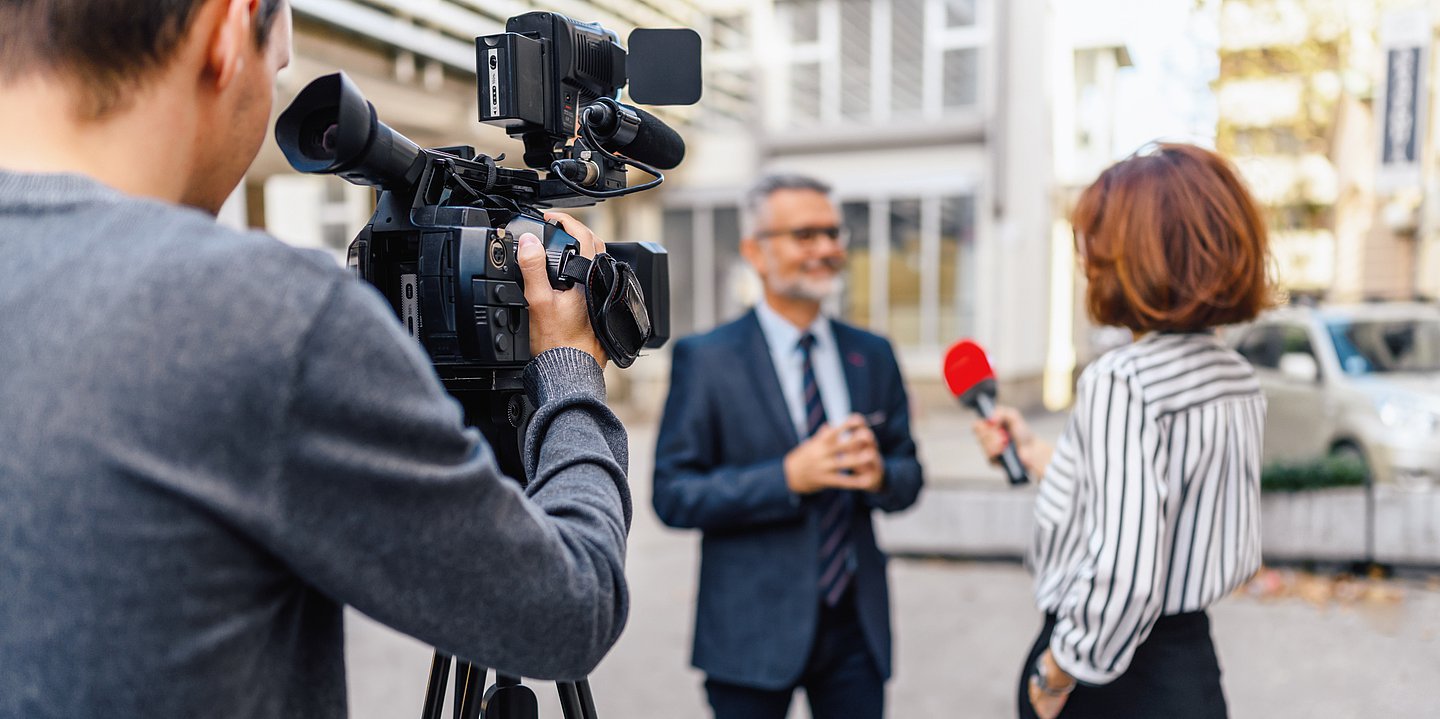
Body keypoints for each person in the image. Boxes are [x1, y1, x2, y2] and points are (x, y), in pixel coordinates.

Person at [0, 2, 631, 718]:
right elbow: (567, 610)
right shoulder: (258, 311)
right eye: (276, 68)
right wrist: (572, 367)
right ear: (228, 29)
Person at [972, 143, 1273, 719]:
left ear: (1136, 254)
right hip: (1190, 663)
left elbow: (1128, 574)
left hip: (1114, 674)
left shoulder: (1124, 379)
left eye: (1095, 241)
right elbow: (1154, 495)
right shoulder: (1233, 373)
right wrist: (1034, 452)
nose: (1085, 257)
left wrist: (1057, 673)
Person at [652, 174, 924, 719]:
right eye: (805, 235)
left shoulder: (872, 354)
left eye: (832, 232)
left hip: (855, 630)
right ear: (756, 250)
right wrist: (787, 478)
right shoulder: (706, 359)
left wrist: (879, 477)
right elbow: (673, 495)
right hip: (748, 635)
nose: (826, 249)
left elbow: (910, 473)